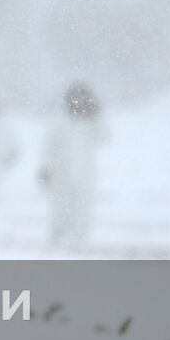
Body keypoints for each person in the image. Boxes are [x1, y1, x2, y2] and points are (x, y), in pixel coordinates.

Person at [39, 83, 106, 249]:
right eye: (76, 101)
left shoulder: (90, 125)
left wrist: (96, 115)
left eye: (83, 101)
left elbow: (105, 136)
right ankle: (57, 239)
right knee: (61, 209)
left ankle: (78, 241)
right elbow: (48, 147)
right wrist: (46, 168)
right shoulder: (60, 123)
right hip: (61, 175)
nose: (79, 104)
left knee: (83, 208)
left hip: (84, 175)